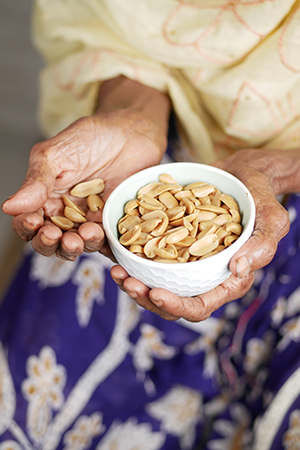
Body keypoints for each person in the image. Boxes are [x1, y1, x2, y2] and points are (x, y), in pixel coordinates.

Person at [1, 0, 300, 448]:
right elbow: (116, 21)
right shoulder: (139, 206)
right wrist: (132, 111)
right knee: (21, 405)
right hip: (159, 153)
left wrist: (283, 168)